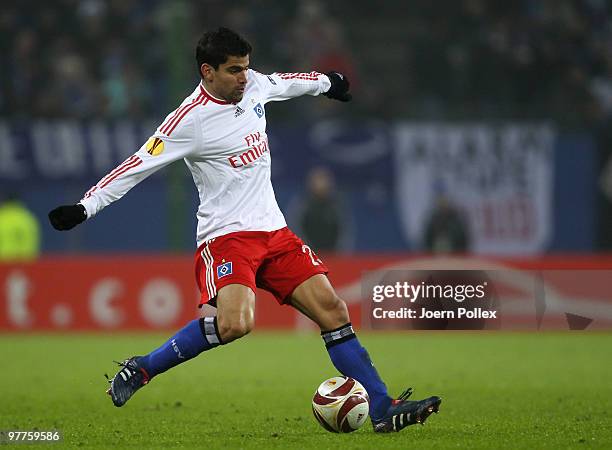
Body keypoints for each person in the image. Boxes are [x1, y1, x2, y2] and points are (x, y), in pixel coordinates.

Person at [48, 27, 440, 432]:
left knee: (333, 310)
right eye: (234, 70)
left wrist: (327, 83)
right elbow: (137, 165)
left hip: (274, 231)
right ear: (208, 71)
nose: (244, 77)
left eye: (246, 68)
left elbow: (284, 83)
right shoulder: (188, 121)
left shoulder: (251, 85)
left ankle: (380, 406)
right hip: (227, 237)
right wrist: (85, 206)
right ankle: (144, 368)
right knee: (236, 324)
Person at [0, 193, 40, 261]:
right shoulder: (26, 218)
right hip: (22, 262)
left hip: (2, 260)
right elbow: (31, 241)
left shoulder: (2, 216)